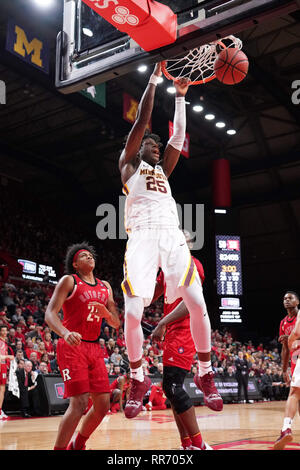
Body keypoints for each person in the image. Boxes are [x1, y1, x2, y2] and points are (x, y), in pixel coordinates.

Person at [119, 63, 216, 419]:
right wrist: (154, 81)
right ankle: (137, 377)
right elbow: (142, 121)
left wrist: (180, 98)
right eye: (150, 143)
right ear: (137, 147)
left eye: (157, 146)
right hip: (142, 237)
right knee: (132, 313)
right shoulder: (130, 165)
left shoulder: (163, 169)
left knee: (195, 299)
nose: (155, 146)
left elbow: (176, 139)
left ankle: (205, 373)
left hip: (171, 234)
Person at [45, 242, 120, 450]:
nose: (89, 257)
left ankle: (78, 444)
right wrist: (65, 332)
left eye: (91, 255)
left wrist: (107, 314)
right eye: (83, 256)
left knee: (103, 405)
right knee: (78, 403)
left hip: (94, 348)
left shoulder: (106, 287)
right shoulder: (69, 281)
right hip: (72, 346)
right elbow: (50, 313)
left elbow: (116, 323)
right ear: (75, 264)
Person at [151, 238, 217, 450]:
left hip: (185, 329)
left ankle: (199, 444)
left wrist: (162, 322)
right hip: (173, 331)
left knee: (172, 386)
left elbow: (191, 304)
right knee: (172, 389)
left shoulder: (192, 264)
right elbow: (151, 295)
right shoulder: (167, 270)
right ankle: (187, 444)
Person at [274, 291, 300, 449]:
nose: (287, 300)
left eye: (290, 298)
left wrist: (290, 338)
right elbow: (285, 350)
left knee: (294, 393)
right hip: (295, 360)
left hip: (298, 357)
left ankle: (285, 429)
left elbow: (295, 336)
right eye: (284, 298)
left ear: (297, 301)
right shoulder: (283, 322)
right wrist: (284, 370)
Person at [0, 325, 14, 419]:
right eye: (3, 330)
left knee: (2, 390)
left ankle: (0, 410)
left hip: (4, 367)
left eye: (6, 330)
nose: (5, 332)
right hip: (1, 366)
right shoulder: (0, 342)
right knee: (1, 390)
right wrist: (8, 357)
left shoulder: (4, 342)